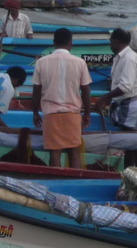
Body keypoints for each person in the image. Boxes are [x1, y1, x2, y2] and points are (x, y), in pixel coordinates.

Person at [31, 27, 92, 169]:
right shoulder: (80, 62)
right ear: (71, 43)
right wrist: (87, 114)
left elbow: (36, 90)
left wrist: (35, 112)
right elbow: (86, 90)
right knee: (74, 152)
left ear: (54, 42)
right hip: (72, 114)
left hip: (51, 114)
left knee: (55, 153)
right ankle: (77, 184)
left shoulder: (41, 62)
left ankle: (55, 183)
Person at [94, 27, 137, 169]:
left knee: (136, 144)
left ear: (116, 41)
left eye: (111, 41)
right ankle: (128, 173)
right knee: (129, 145)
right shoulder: (121, 57)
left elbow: (126, 87)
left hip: (134, 103)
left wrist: (105, 98)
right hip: (125, 103)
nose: (110, 44)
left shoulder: (129, 58)